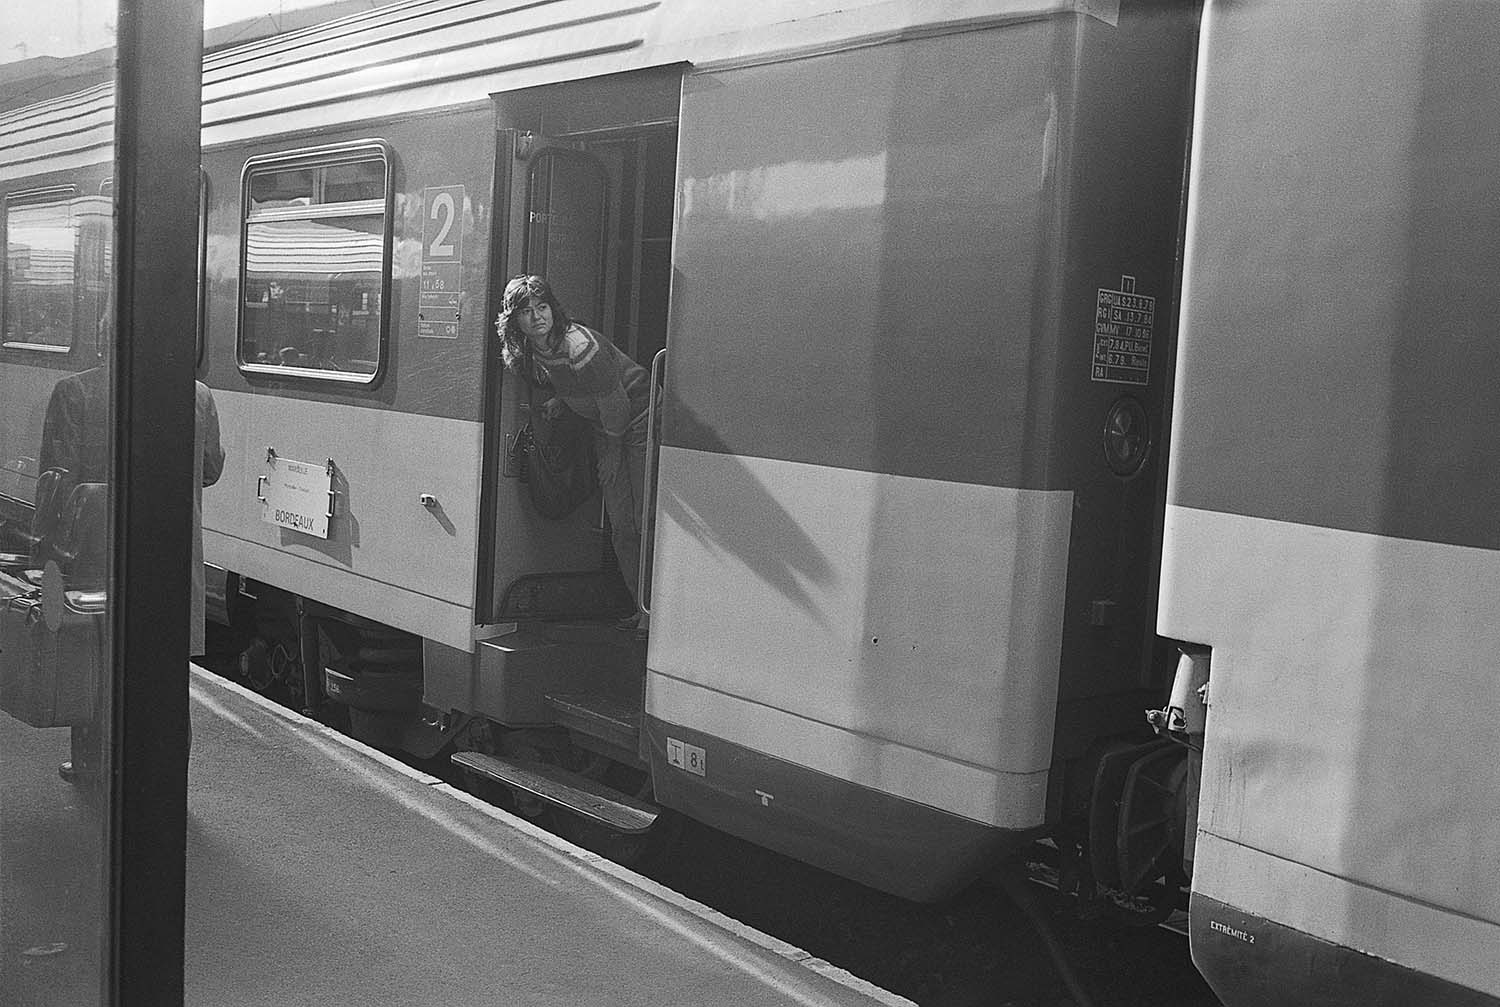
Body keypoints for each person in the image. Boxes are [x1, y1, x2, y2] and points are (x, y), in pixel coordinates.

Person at [495, 275, 651, 631]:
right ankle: (643, 611)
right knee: (623, 528)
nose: (537, 317)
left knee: (642, 521)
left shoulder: (579, 345)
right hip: (607, 422)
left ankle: (656, 613)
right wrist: (562, 401)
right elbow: (581, 386)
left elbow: (617, 405)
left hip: (637, 418)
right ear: (513, 320)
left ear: (554, 309)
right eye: (526, 311)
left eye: (543, 307)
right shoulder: (535, 350)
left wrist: (610, 451)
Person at [192, 380, 225, 657]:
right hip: (177, 536)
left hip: (102, 544)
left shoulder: (74, 390)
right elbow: (211, 468)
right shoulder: (199, 395)